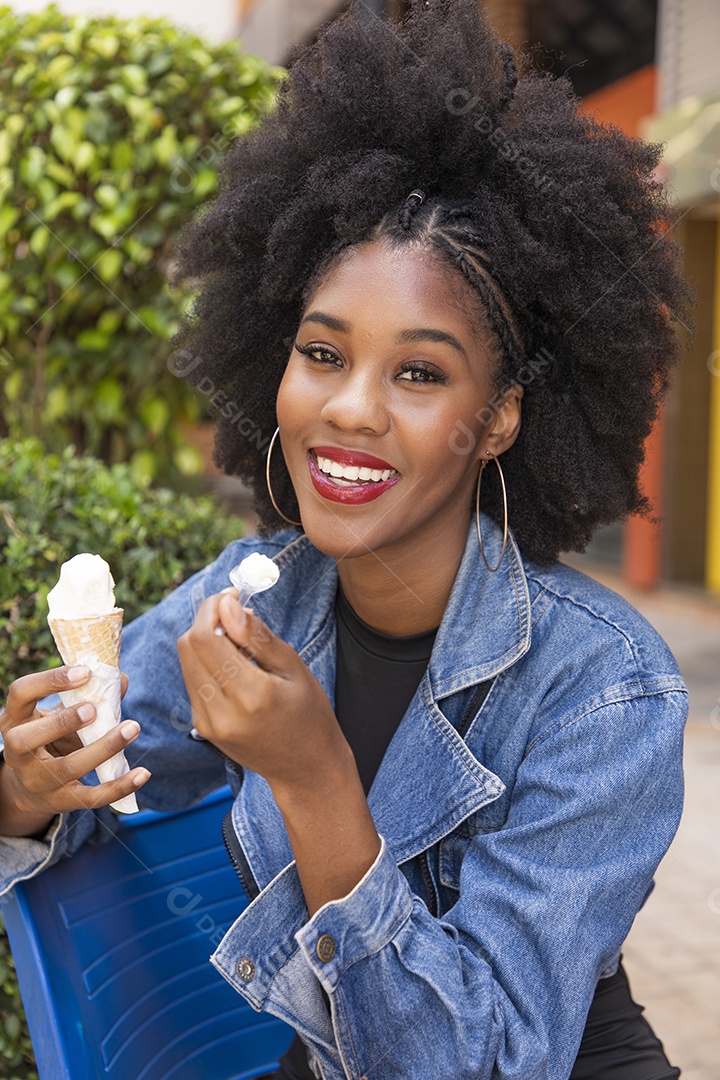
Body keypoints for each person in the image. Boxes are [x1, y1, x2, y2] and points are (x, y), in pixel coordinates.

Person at [0, 2, 692, 1077]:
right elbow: (96, 792)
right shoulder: (250, 600)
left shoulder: (604, 690)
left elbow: (488, 1060)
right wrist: (27, 787)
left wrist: (318, 781)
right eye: (323, 354)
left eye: (419, 373)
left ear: (501, 416)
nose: (351, 411)